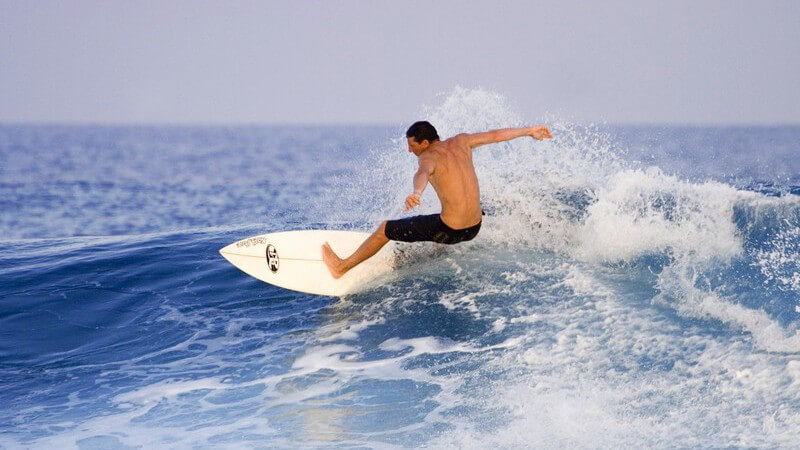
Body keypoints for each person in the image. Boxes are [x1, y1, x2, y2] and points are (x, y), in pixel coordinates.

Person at [322, 120, 553, 278]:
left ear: (424, 143)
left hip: (451, 229)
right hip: (474, 228)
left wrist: (416, 193)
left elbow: (422, 174)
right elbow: (495, 135)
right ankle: (427, 254)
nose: (409, 150)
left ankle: (341, 267)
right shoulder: (462, 141)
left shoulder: (428, 157)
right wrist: (529, 130)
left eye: (412, 145)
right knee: (445, 219)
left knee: (385, 229)